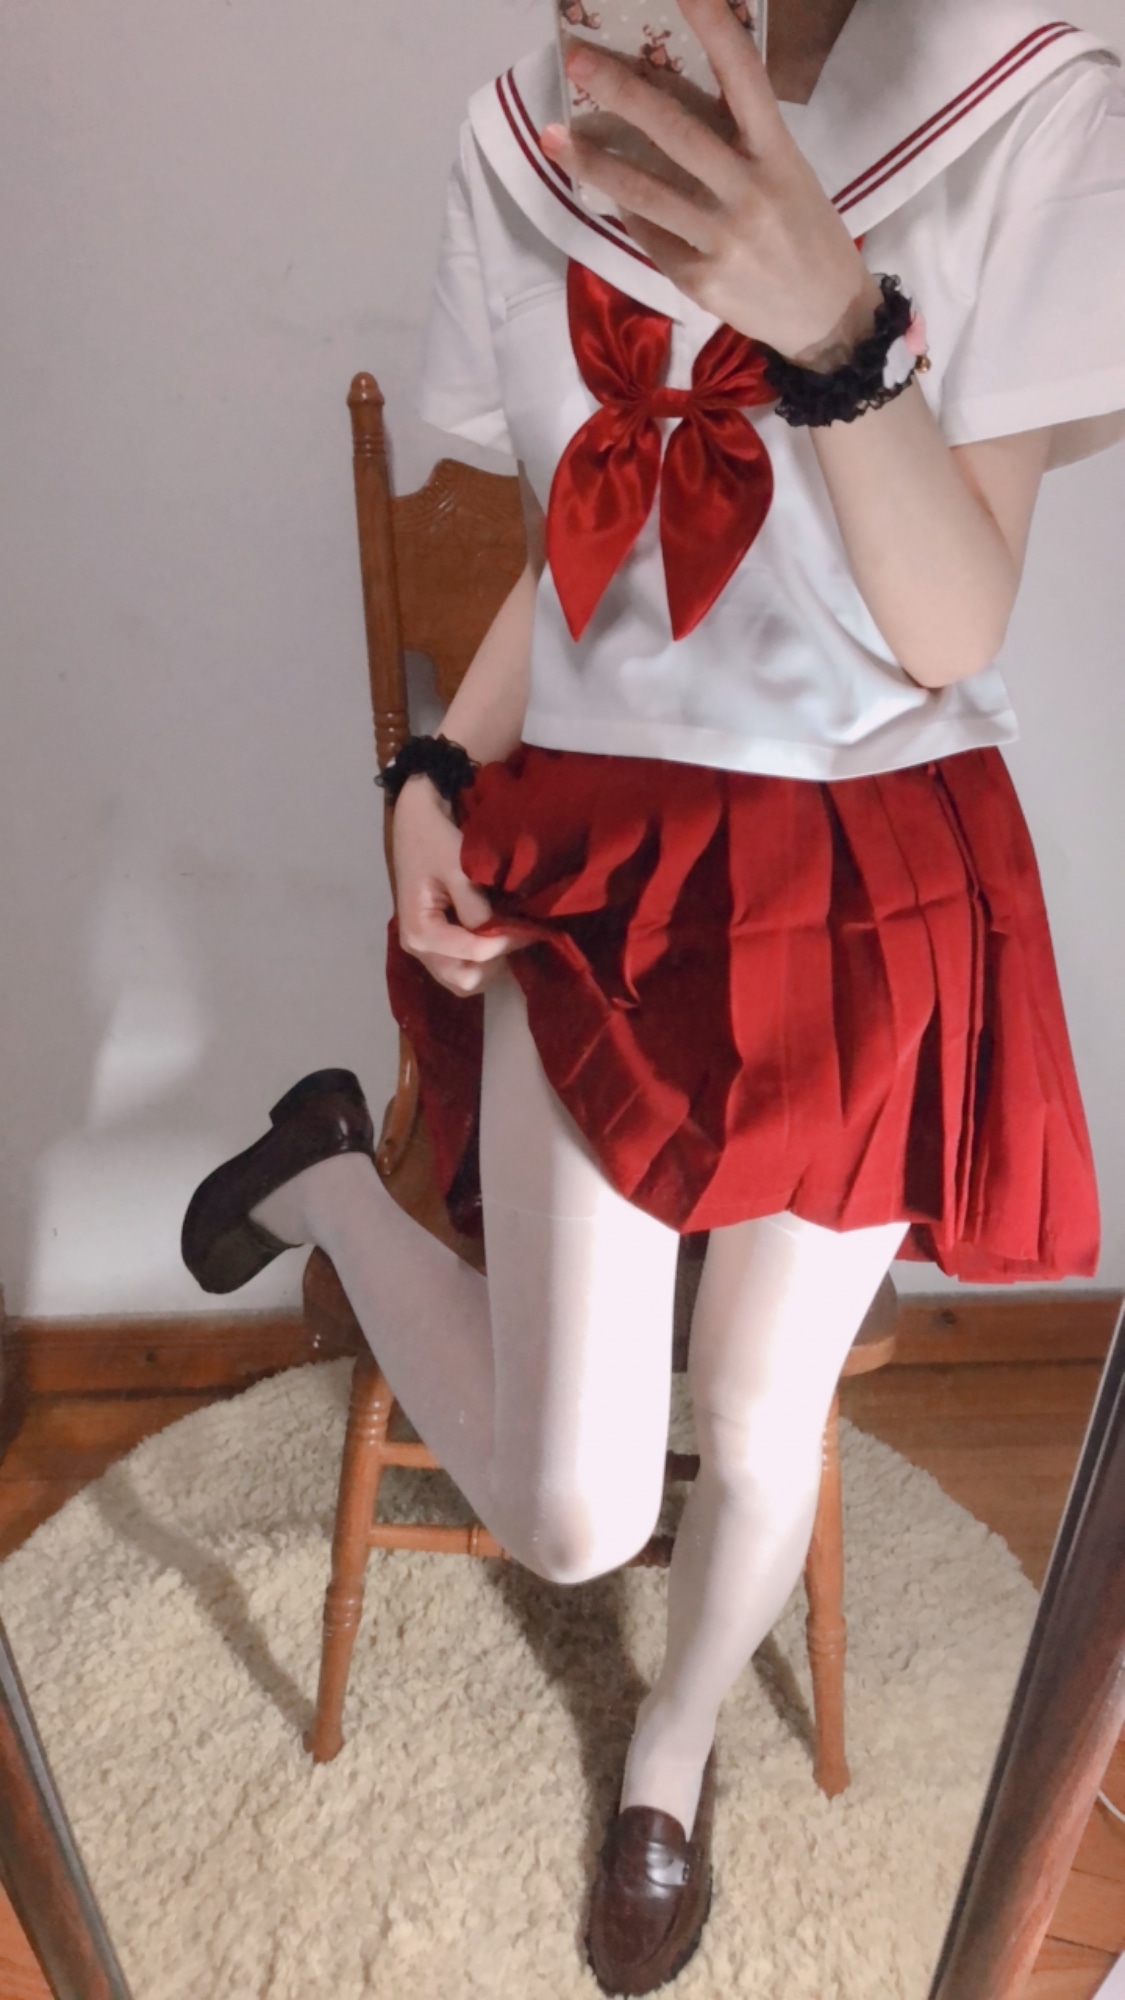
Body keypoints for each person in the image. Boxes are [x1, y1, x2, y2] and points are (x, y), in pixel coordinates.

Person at [182, 0, 1125, 1989]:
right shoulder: (525, 126)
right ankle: (331, 1176)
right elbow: (585, 548)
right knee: (569, 1509)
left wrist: (834, 328)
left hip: (867, 871)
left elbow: (950, 627)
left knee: (763, 1416)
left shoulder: (1024, 100)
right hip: (607, 851)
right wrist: (436, 765)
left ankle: (668, 1764)